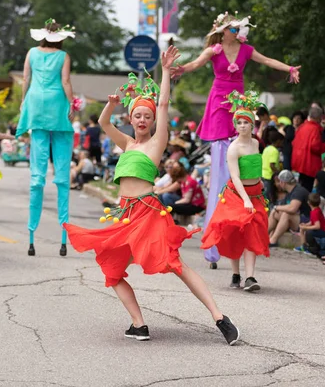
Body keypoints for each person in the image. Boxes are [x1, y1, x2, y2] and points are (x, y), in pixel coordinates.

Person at [64, 46, 240, 345]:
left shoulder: (157, 143)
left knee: (177, 265)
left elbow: (162, 104)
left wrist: (167, 72)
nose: (143, 119)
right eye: (138, 116)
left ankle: (220, 318)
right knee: (111, 267)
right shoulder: (128, 144)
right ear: (131, 120)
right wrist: (112, 103)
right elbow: (105, 123)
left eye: (147, 116)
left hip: (148, 211)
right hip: (125, 213)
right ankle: (139, 324)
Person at [170, 11, 300, 267]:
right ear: (225, 30)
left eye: (239, 28)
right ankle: (215, 242)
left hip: (238, 103)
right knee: (221, 164)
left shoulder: (246, 50)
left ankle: (241, 212)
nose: (238, 32)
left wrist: (290, 68)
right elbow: (194, 64)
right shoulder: (214, 50)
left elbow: (267, 60)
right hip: (219, 101)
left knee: (242, 151)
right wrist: (179, 70)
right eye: (234, 28)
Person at [16, 18, 76, 256]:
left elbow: (26, 80)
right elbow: (66, 81)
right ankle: (63, 238)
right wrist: (72, 104)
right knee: (62, 173)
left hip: (36, 104)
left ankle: (32, 236)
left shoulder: (31, 52)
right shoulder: (63, 56)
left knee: (37, 174)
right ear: (60, 38)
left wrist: (23, 101)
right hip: (56, 103)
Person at [201, 91, 270, 291]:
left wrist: (260, 182)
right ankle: (236, 273)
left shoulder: (257, 143)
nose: (242, 126)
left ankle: (250, 278)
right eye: (239, 123)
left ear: (251, 124)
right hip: (237, 195)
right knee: (234, 233)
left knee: (253, 232)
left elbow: (255, 167)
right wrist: (246, 200)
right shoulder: (233, 148)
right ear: (235, 125)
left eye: (245, 122)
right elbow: (236, 177)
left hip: (256, 193)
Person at [268, 170, 311, 246]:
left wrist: (276, 207)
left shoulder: (298, 191)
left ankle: (272, 241)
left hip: (308, 221)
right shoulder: (289, 192)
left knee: (286, 214)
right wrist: (276, 209)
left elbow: (292, 208)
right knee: (275, 213)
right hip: (298, 220)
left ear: (283, 182)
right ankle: (262, 237)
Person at [292, 106, 325, 192]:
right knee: (307, 188)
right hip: (309, 162)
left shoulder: (302, 126)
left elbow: (294, 142)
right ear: (319, 117)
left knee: (301, 185)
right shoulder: (315, 129)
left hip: (299, 161)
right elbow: (315, 147)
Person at [262, 131, 283, 204]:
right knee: (270, 196)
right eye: (281, 141)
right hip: (270, 176)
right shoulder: (275, 151)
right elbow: (272, 165)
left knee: (265, 195)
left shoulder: (267, 148)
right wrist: (278, 173)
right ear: (278, 141)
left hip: (263, 174)